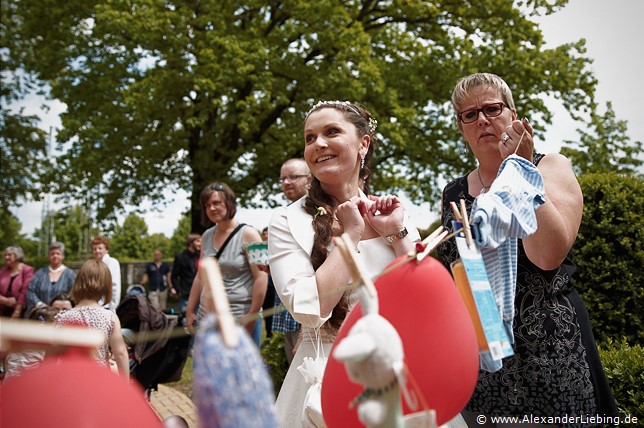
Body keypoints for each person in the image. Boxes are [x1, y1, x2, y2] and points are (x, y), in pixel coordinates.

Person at [437, 72, 618, 425]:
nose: (483, 120)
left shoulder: (549, 167)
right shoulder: (454, 193)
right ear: (461, 127)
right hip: (485, 358)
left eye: (492, 108)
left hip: (551, 348)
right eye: (469, 115)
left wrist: (516, 169)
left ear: (513, 114)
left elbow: (547, 255)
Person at [267, 101, 427, 427]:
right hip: (326, 373)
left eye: (331, 132)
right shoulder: (287, 221)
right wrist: (351, 235)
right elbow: (308, 308)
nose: (318, 144)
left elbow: (423, 300)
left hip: (397, 369)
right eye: (310, 138)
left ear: (363, 144)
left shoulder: (393, 212)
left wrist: (397, 233)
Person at [185, 182, 268, 347]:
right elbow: (200, 277)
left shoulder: (251, 234)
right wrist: (189, 310)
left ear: (229, 203)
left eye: (216, 203)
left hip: (240, 317)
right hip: (207, 318)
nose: (212, 208)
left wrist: (252, 316)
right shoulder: (206, 235)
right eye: (207, 205)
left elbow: (262, 277)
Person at [56, 259, 129, 380]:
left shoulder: (62, 318)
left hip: (69, 380)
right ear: (106, 287)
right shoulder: (110, 318)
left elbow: (50, 356)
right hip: (98, 380)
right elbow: (120, 353)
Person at [270, 158, 311, 364]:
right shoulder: (285, 217)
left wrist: (306, 330)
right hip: (289, 316)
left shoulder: (315, 217)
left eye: (293, 177)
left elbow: (316, 270)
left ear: (310, 179)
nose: (286, 182)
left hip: (310, 321)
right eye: (283, 178)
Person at [3, 305, 60, 380]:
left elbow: (6, 362)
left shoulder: (19, 337)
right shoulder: (47, 341)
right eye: (56, 324)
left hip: (10, 381)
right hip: (30, 382)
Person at [25, 242, 76, 317]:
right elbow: (30, 291)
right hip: (41, 314)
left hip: (63, 316)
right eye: (52, 254)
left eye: (58, 253)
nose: (55, 256)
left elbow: (74, 293)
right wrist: (39, 304)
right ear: (49, 256)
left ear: (63, 256)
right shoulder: (40, 273)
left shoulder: (70, 274)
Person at [171, 233, 202, 315]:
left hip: (200, 295)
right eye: (198, 241)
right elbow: (174, 276)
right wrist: (180, 290)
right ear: (191, 243)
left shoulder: (201, 257)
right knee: (185, 321)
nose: (201, 244)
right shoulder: (180, 257)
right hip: (186, 296)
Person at [0, 245, 34, 318]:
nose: (6, 257)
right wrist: (4, 300)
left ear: (17, 255)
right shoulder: (2, 271)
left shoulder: (27, 270)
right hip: (2, 308)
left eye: (9, 255)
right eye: (5, 255)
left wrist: (17, 310)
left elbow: (25, 291)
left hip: (20, 310)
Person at [91, 236, 121, 310]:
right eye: (94, 249)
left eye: (100, 248)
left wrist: (113, 307)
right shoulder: (93, 264)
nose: (97, 251)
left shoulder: (112, 262)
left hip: (106, 306)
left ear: (106, 249)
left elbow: (115, 286)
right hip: (94, 306)